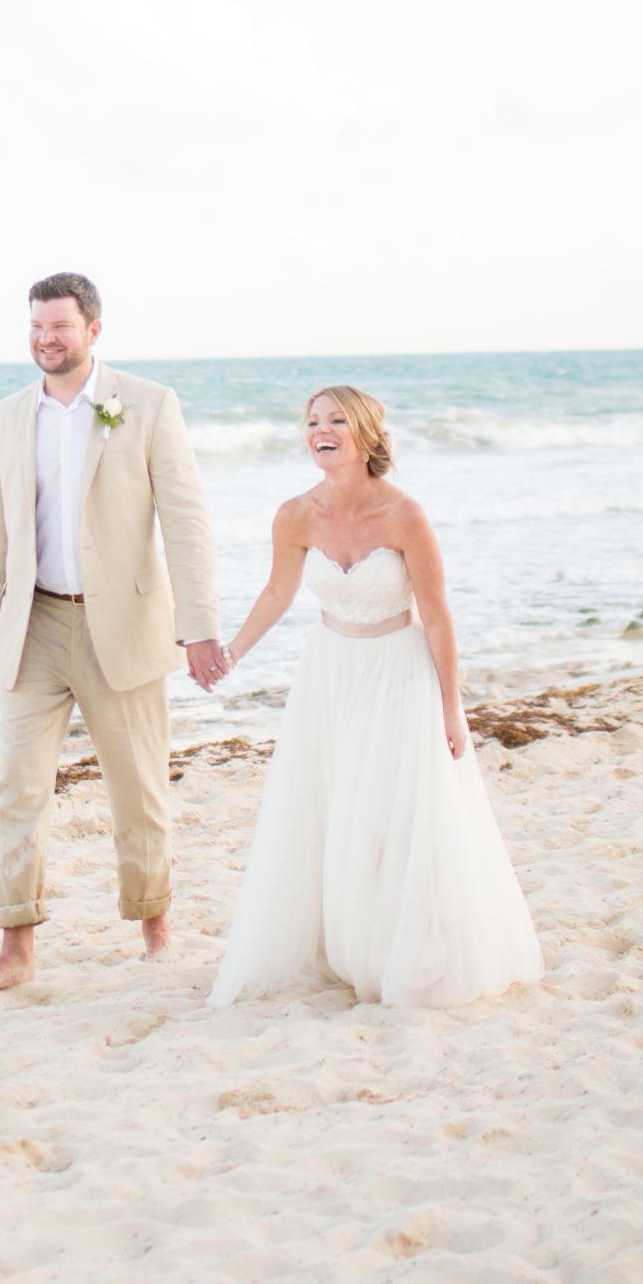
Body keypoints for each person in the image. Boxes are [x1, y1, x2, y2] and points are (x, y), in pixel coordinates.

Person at [207, 385, 543, 1009]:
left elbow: (439, 617)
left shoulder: (404, 514)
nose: (320, 430)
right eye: (312, 421)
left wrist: (450, 709)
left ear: (363, 434)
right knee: (335, 810)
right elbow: (278, 595)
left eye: (335, 420)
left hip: (399, 672)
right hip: (329, 673)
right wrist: (230, 653)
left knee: (394, 816)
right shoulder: (294, 515)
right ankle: (348, 944)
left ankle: (407, 951)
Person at [0, 273, 226, 994]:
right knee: (17, 788)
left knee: (138, 789)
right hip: (34, 622)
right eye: (38, 327)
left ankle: (155, 927)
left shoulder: (144, 404)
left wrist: (199, 627)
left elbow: (186, 520)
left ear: (93, 331)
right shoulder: (9, 416)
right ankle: (16, 946)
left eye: (61, 327)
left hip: (126, 624)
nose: (47, 339)